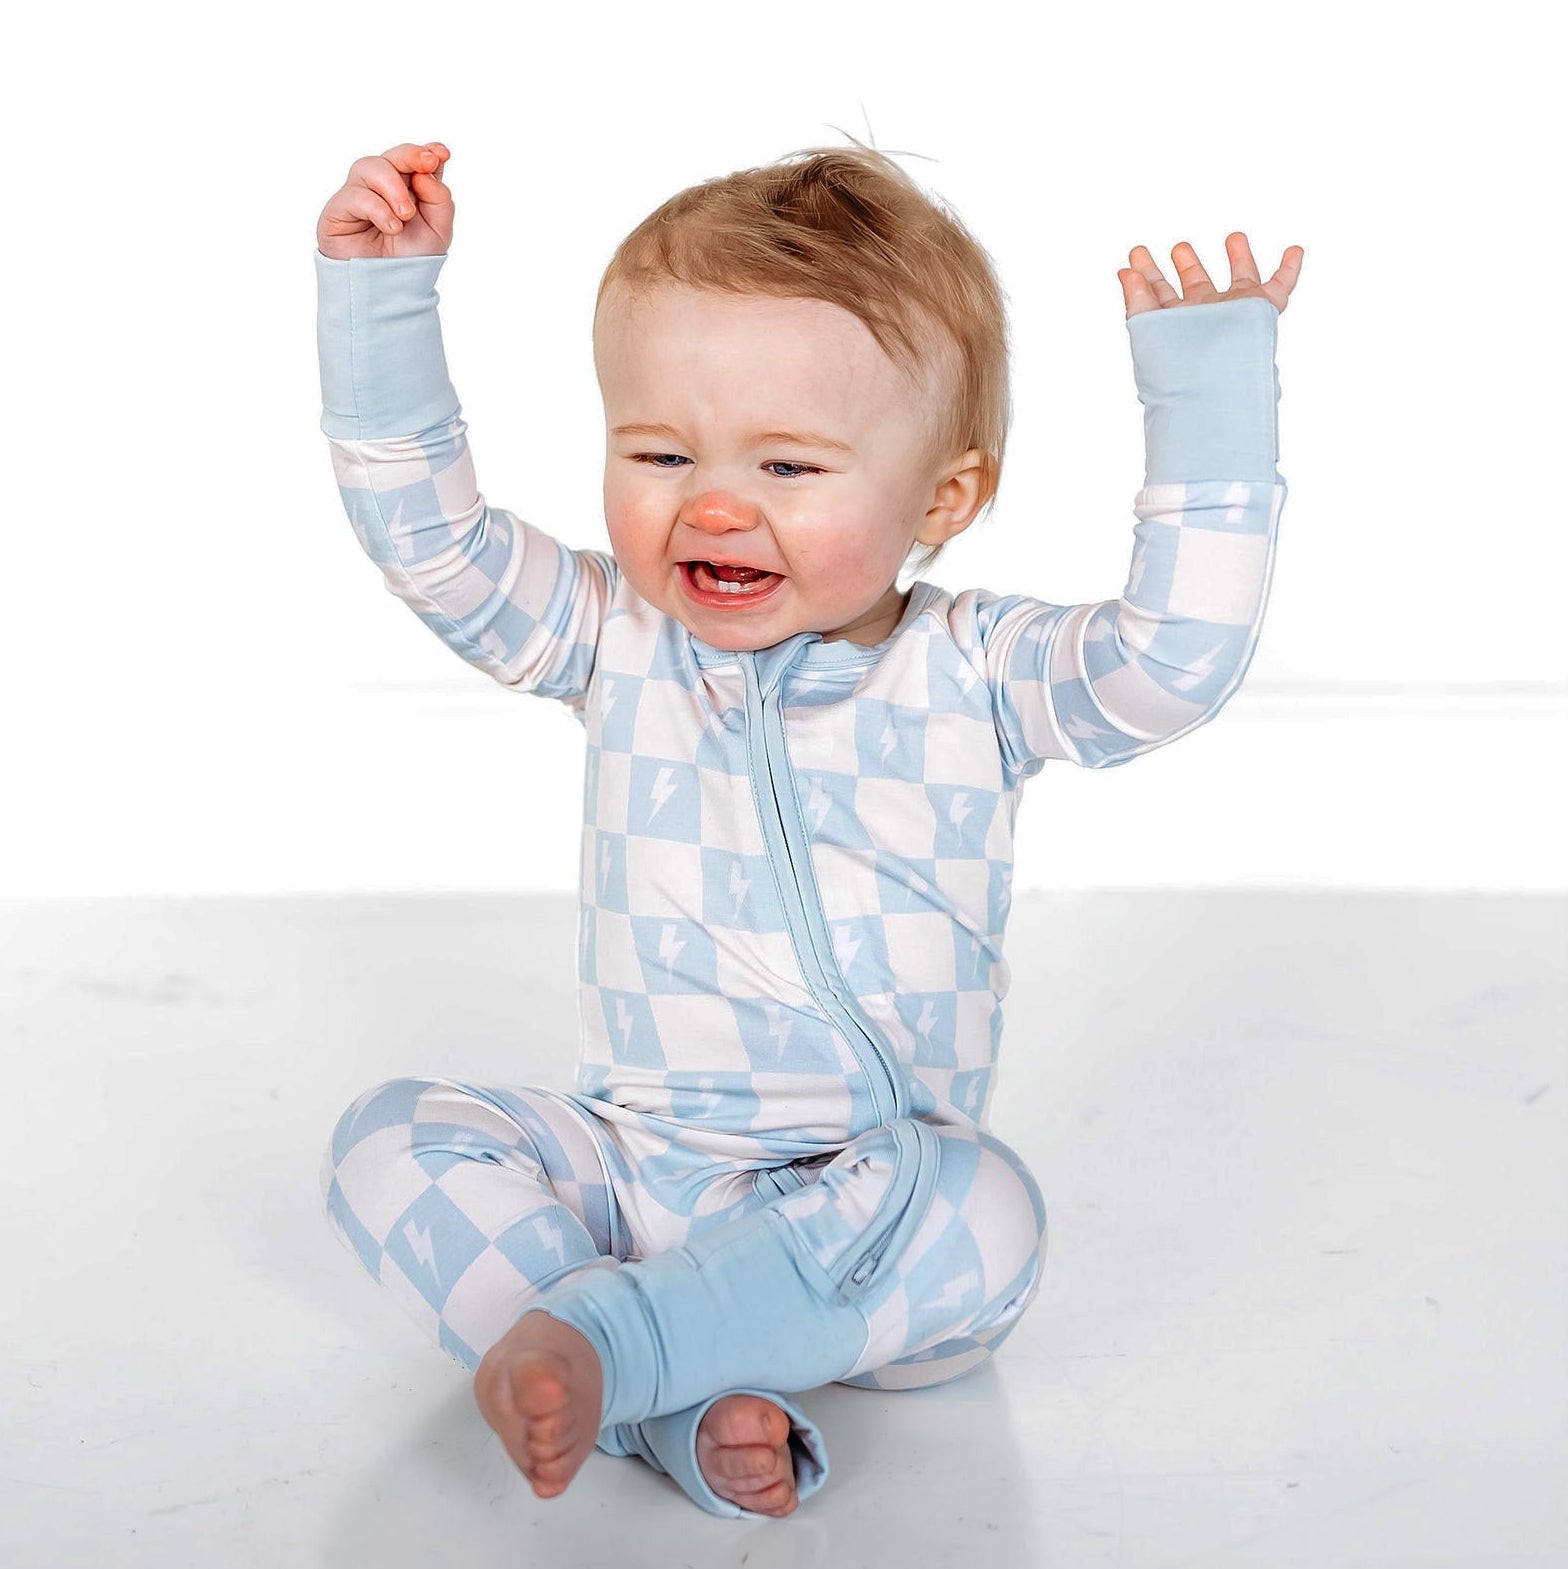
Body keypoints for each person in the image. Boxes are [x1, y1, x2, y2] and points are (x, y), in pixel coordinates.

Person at [313, 136, 1303, 1521]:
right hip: (639, 1170)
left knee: (993, 1208)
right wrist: (383, 297)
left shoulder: (977, 671)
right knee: (386, 1139)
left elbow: (1168, 665)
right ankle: (680, 1400)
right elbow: (430, 537)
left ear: (943, 498)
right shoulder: (618, 638)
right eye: (660, 450)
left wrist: (1208, 411)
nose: (716, 502)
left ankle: (612, 1339)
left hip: (872, 1214)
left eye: (789, 463)